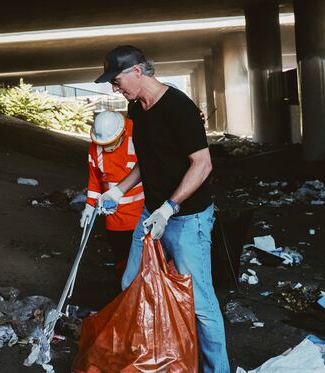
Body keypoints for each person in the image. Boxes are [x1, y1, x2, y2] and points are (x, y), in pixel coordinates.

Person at [94, 45, 229, 373]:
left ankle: (217, 370)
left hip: (188, 219)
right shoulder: (137, 108)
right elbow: (148, 159)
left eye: (117, 80)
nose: (115, 88)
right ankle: (152, 358)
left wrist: (169, 208)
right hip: (151, 213)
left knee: (199, 302)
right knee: (130, 285)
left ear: (138, 71)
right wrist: (118, 190)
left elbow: (202, 164)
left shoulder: (178, 108)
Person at [80, 111, 144, 283]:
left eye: (110, 143)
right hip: (115, 219)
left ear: (122, 133)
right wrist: (90, 206)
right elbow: (95, 180)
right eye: (102, 143)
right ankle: (125, 296)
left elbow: (150, 169)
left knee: (145, 263)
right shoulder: (95, 147)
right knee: (122, 262)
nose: (106, 148)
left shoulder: (138, 135)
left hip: (142, 216)